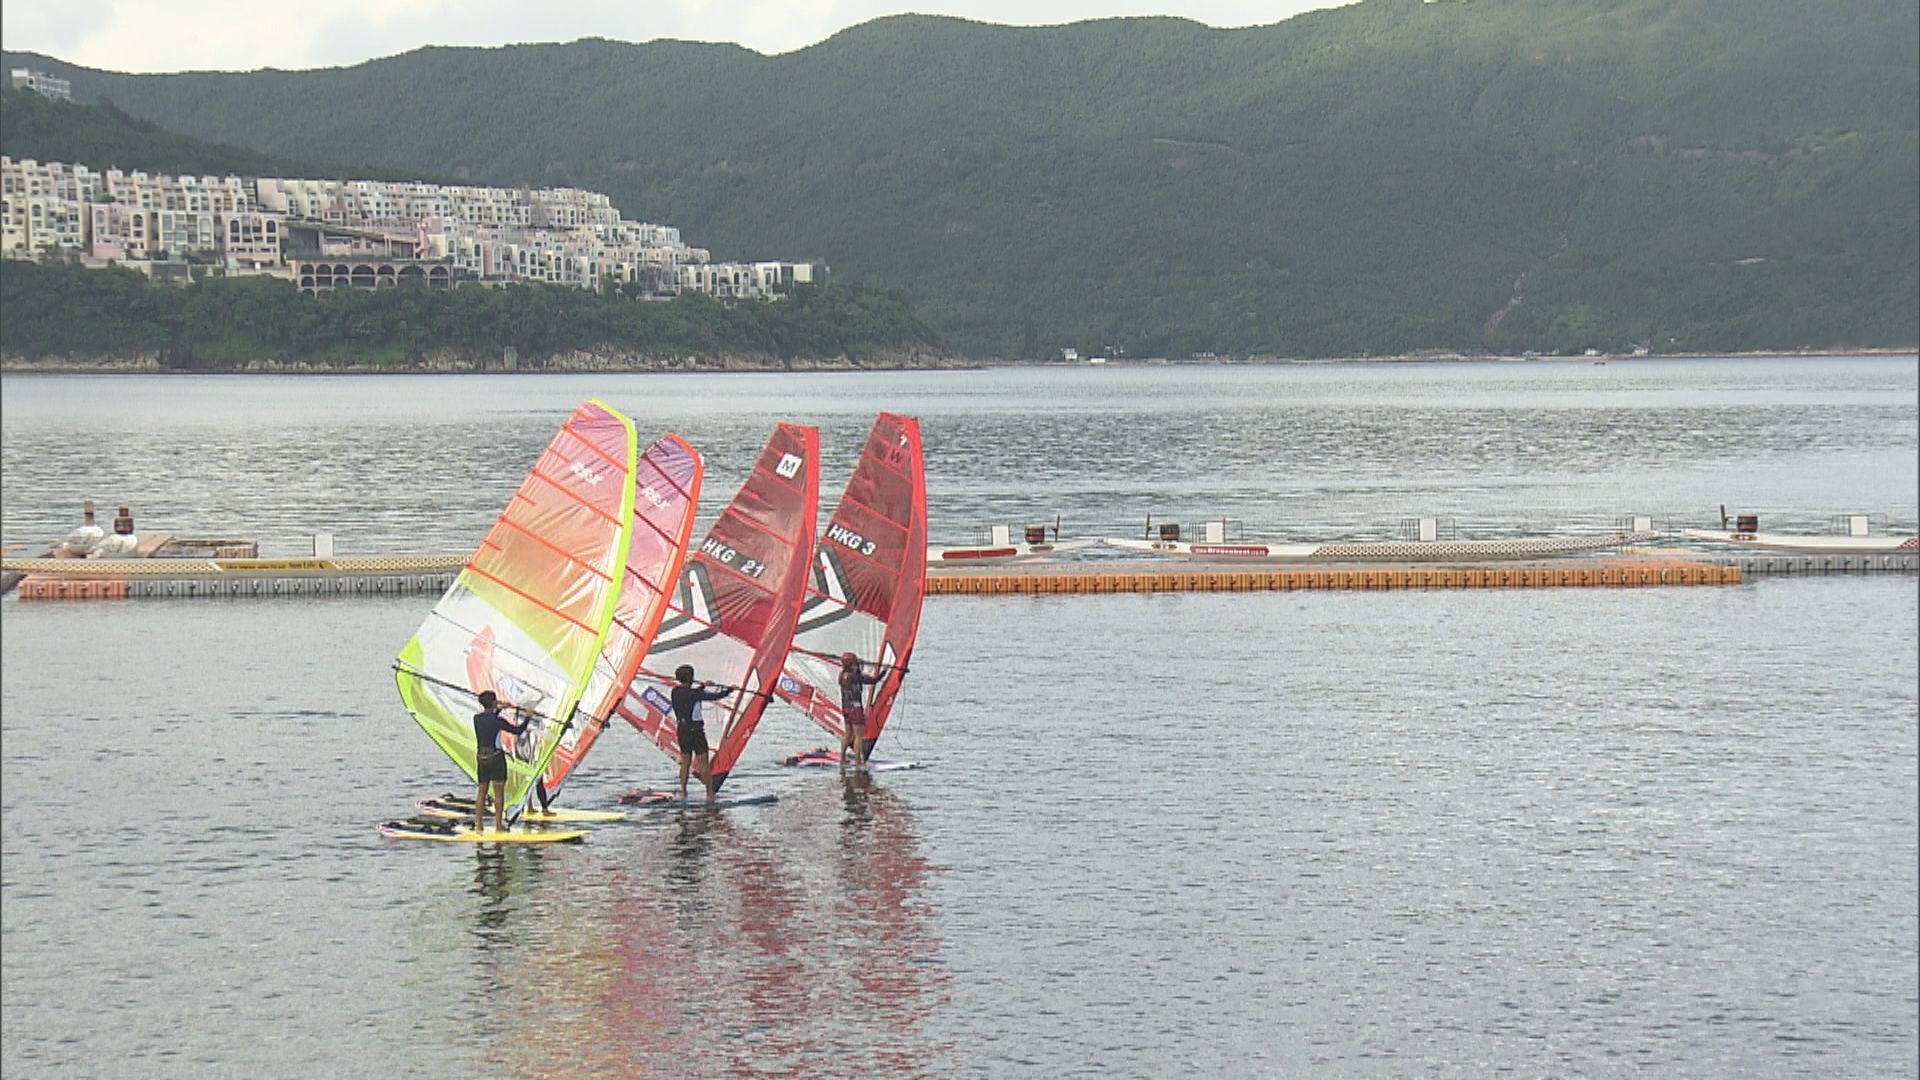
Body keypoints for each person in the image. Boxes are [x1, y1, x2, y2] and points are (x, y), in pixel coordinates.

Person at [670, 664, 735, 803]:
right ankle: (710, 794)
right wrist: (729, 690)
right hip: (696, 731)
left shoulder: (675, 692)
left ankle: (683, 792)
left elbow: (689, 694)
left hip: (682, 730)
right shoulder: (695, 694)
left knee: (685, 762)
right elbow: (715, 696)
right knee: (703, 762)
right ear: (691, 678)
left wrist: (702, 686)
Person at [472, 690, 528, 832]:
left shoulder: (476, 718)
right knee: (498, 793)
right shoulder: (498, 721)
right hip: (496, 757)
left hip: (481, 758)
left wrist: (500, 708)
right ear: (494, 703)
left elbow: (489, 718)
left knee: (481, 792)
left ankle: (478, 825)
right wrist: (527, 718)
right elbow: (518, 731)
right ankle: (498, 825)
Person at [838, 652, 884, 768]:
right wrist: (885, 671)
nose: (857, 665)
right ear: (851, 665)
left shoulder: (842, 675)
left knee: (848, 734)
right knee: (859, 736)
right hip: (855, 708)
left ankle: (842, 758)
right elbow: (873, 680)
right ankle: (859, 762)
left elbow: (859, 675)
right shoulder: (854, 676)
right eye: (855, 663)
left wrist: (858, 666)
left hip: (846, 708)